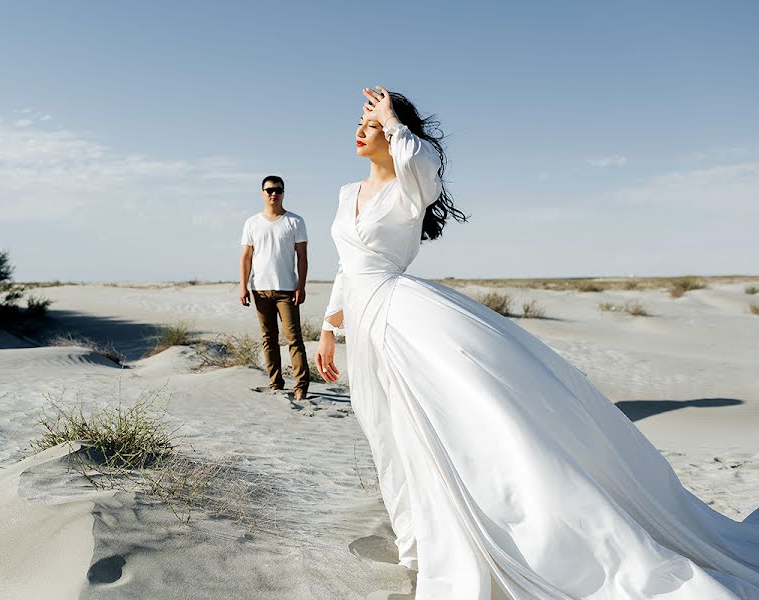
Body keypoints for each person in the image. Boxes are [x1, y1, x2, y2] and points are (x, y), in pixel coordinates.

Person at [314, 86, 759, 599]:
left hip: (402, 316)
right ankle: (419, 538)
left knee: (457, 424)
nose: (362, 129)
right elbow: (348, 270)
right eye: (363, 122)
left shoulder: (413, 184)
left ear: (395, 134)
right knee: (388, 432)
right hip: (365, 326)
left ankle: (509, 537)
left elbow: (423, 161)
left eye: (372, 124)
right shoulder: (348, 194)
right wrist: (330, 329)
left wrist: (394, 120)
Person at [239, 175, 311, 401]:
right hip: (259, 290)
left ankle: (301, 385)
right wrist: (243, 286)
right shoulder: (252, 223)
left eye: (278, 190)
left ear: (283, 193)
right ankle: (276, 382)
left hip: (287, 290)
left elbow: (302, 257)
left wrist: (301, 285)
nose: (273, 193)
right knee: (268, 338)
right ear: (262, 193)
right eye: (269, 190)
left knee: (293, 339)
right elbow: (246, 258)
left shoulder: (295, 222)